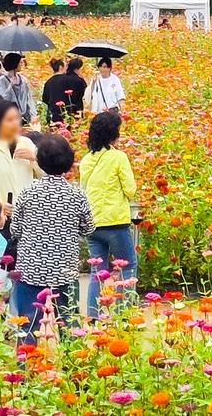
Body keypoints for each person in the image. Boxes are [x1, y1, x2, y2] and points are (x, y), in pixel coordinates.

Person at [9, 134, 95, 344]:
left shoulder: (28, 192)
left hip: (31, 268)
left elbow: (15, 229)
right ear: (68, 162)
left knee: (28, 324)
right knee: (69, 321)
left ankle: (26, 370)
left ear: (39, 161)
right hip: (64, 268)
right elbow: (88, 228)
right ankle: (74, 369)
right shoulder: (76, 194)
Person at [80, 110, 138, 319]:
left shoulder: (87, 160)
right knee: (127, 266)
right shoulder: (118, 157)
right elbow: (130, 190)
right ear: (114, 133)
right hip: (116, 222)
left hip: (93, 223)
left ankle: (93, 316)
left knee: (98, 271)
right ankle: (123, 314)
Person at [0, 52, 39, 126]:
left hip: (25, 118)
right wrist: (10, 86)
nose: (21, 65)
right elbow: (2, 100)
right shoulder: (2, 80)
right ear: (14, 64)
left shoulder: (23, 80)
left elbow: (29, 99)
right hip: (10, 118)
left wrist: (33, 114)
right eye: (19, 62)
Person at [42, 58, 87, 124]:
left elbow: (45, 99)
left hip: (53, 114)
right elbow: (77, 95)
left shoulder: (48, 82)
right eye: (65, 66)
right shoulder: (69, 80)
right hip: (68, 114)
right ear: (61, 67)